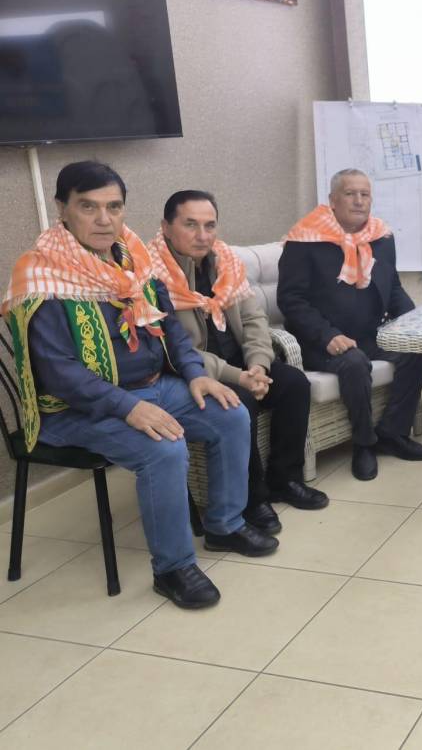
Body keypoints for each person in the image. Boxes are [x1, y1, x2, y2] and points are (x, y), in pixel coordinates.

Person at [2, 162, 277, 610]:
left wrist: (196, 374)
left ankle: (225, 525)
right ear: (62, 209)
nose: (104, 219)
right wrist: (128, 407)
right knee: (164, 449)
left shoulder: (134, 260)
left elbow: (170, 331)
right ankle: (173, 569)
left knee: (231, 412)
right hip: (75, 410)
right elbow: (58, 373)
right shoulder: (41, 275)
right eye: (88, 207)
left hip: (153, 386)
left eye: (114, 207)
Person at [149, 190, 328, 536]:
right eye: (190, 225)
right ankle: (251, 498)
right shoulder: (151, 275)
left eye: (209, 225)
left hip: (240, 363)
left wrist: (259, 365)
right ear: (166, 227)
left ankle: (284, 479)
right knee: (239, 400)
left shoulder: (225, 261)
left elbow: (253, 319)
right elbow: (173, 347)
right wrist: (238, 377)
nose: (202, 235)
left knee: (293, 384)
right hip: (193, 373)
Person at [277, 169, 422, 482]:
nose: (359, 201)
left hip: (369, 334)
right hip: (321, 342)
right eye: (350, 194)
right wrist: (327, 335)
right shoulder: (305, 240)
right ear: (333, 201)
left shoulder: (381, 237)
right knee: (354, 363)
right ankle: (364, 444)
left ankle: (392, 432)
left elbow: (393, 287)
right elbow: (290, 300)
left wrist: (411, 322)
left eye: (365, 194)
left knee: (417, 348)